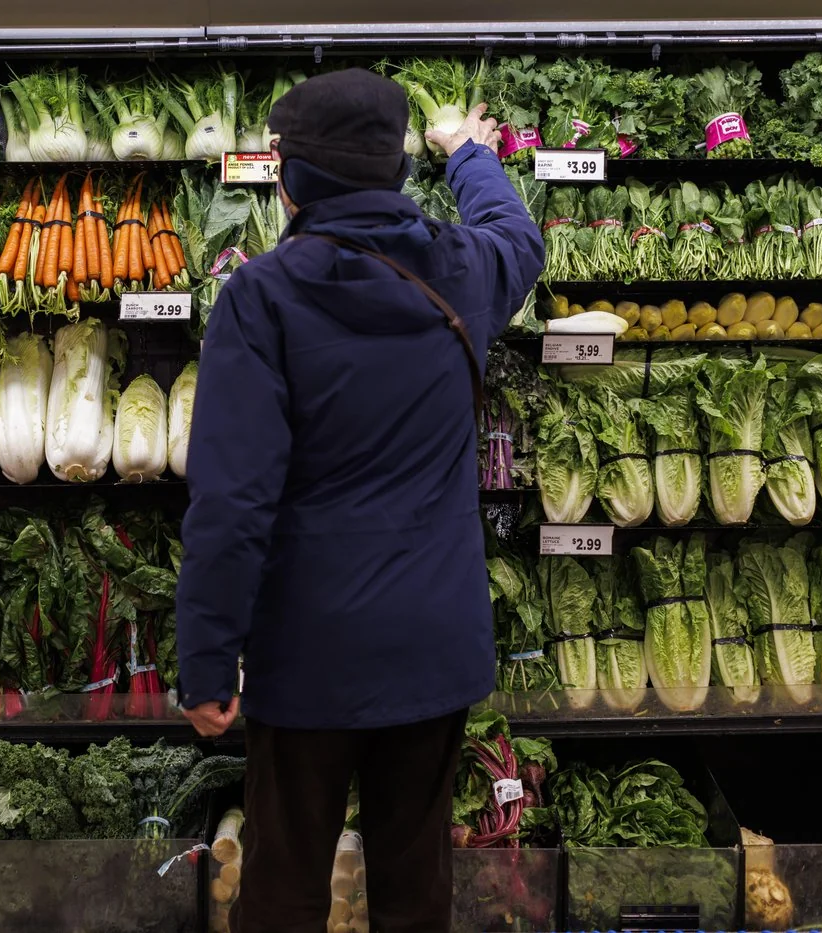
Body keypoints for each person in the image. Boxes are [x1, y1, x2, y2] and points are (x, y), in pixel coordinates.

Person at [175, 67, 545, 933]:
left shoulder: (258, 297)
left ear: (293, 180)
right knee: (415, 887)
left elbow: (233, 501)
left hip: (309, 652)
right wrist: (470, 154)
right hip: (432, 645)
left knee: (286, 883)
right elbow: (517, 233)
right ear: (396, 170)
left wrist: (206, 658)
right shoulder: (461, 268)